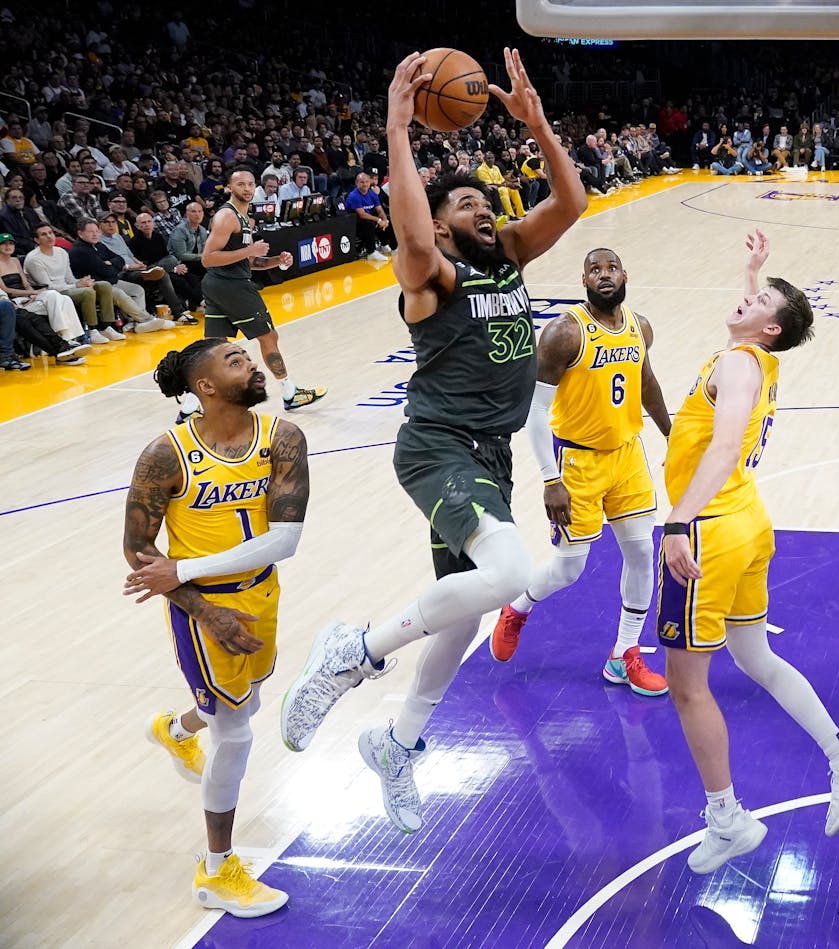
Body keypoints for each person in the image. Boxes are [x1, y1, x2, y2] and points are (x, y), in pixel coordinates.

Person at [278, 49, 586, 835]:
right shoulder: (432, 278)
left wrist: (536, 122)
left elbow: (573, 201)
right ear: (442, 223)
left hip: (490, 453)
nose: (482, 209)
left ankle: (397, 742)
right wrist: (397, 125)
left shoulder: (509, 258)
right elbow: (413, 232)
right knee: (511, 570)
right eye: (465, 205)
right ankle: (357, 650)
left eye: (487, 200)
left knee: (463, 616)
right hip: (437, 446)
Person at [657, 229, 839, 875]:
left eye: (762, 301)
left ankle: (726, 818)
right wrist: (753, 270)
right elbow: (755, 323)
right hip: (750, 521)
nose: (749, 300)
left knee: (687, 687)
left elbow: (725, 447)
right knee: (755, 655)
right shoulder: (759, 357)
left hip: (709, 530)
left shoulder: (736, 363)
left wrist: (678, 520)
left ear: (770, 329)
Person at [121, 337, 310, 917]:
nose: (252, 365)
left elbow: (286, 540)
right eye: (236, 362)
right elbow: (138, 552)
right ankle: (216, 872)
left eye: (249, 358)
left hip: (263, 593)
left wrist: (186, 567)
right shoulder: (166, 454)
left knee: (243, 706)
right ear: (204, 387)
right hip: (203, 610)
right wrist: (204, 608)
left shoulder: (282, 436)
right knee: (236, 733)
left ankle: (175, 730)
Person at [490, 247, 673, 696]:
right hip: (577, 462)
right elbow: (533, 411)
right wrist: (550, 479)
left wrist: (673, 434)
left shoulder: (639, 327)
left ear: (625, 273)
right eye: (595, 269)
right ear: (584, 280)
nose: (604, 275)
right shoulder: (563, 334)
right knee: (570, 568)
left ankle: (623, 654)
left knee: (642, 554)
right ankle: (517, 608)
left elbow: (645, 382)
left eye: (612, 267)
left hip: (627, 456)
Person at [174, 166, 325, 422]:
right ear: (230, 188)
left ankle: (190, 406)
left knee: (215, 347)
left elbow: (248, 261)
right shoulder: (226, 217)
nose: (245, 188)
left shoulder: (245, 218)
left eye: (249, 184)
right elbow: (209, 259)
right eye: (240, 184)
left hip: (221, 284)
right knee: (268, 336)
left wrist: (276, 260)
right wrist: (249, 250)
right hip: (230, 286)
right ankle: (290, 392)